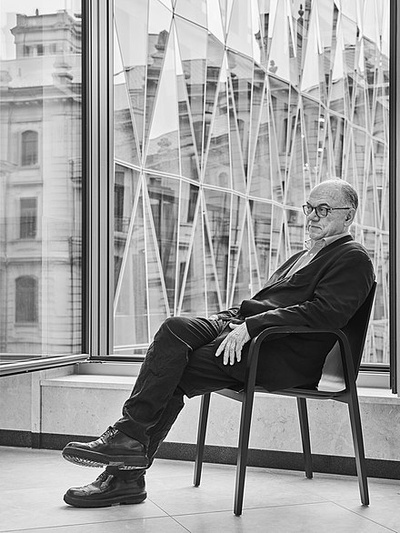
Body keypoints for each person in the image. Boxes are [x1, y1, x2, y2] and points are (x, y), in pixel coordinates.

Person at [62, 179, 375, 507]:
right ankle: (127, 448)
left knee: (173, 370)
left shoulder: (352, 257)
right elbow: (266, 302)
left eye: (323, 210)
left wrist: (252, 326)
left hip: (278, 352)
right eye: (309, 207)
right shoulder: (304, 255)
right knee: (174, 328)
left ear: (348, 215)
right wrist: (228, 320)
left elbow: (327, 314)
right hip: (243, 327)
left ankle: (125, 468)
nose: (311, 216)